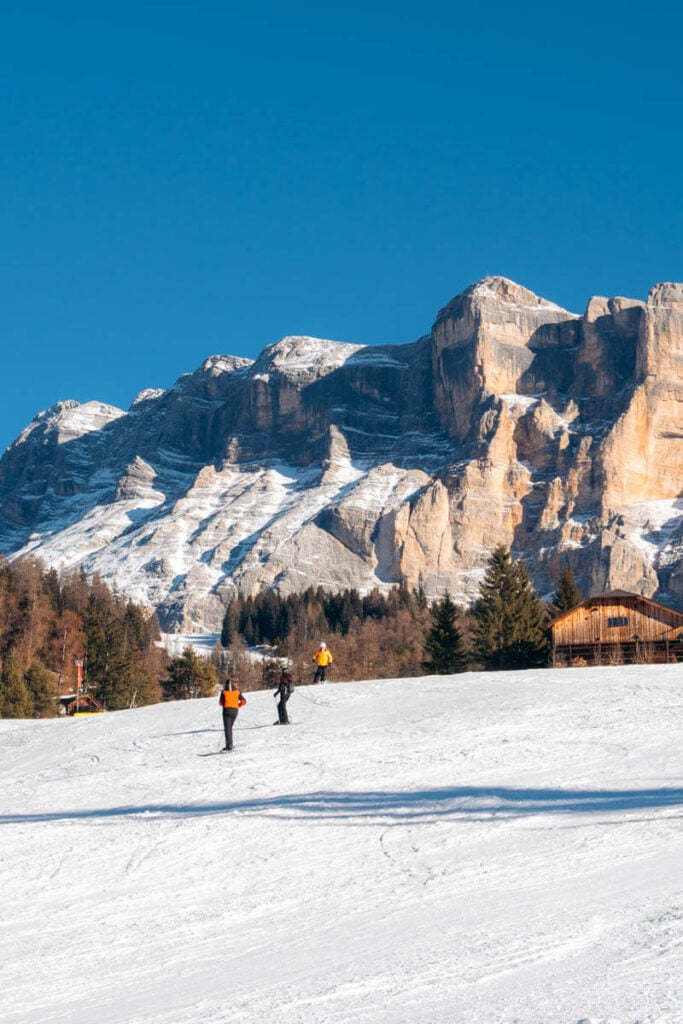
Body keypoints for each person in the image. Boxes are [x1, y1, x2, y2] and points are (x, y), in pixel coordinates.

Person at [218, 678, 246, 750]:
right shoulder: (237, 691)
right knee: (229, 728)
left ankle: (229, 745)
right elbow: (243, 701)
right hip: (235, 711)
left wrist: (225, 704)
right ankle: (230, 744)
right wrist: (238, 705)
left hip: (227, 711)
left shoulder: (224, 692)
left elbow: (221, 703)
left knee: (228, 729)